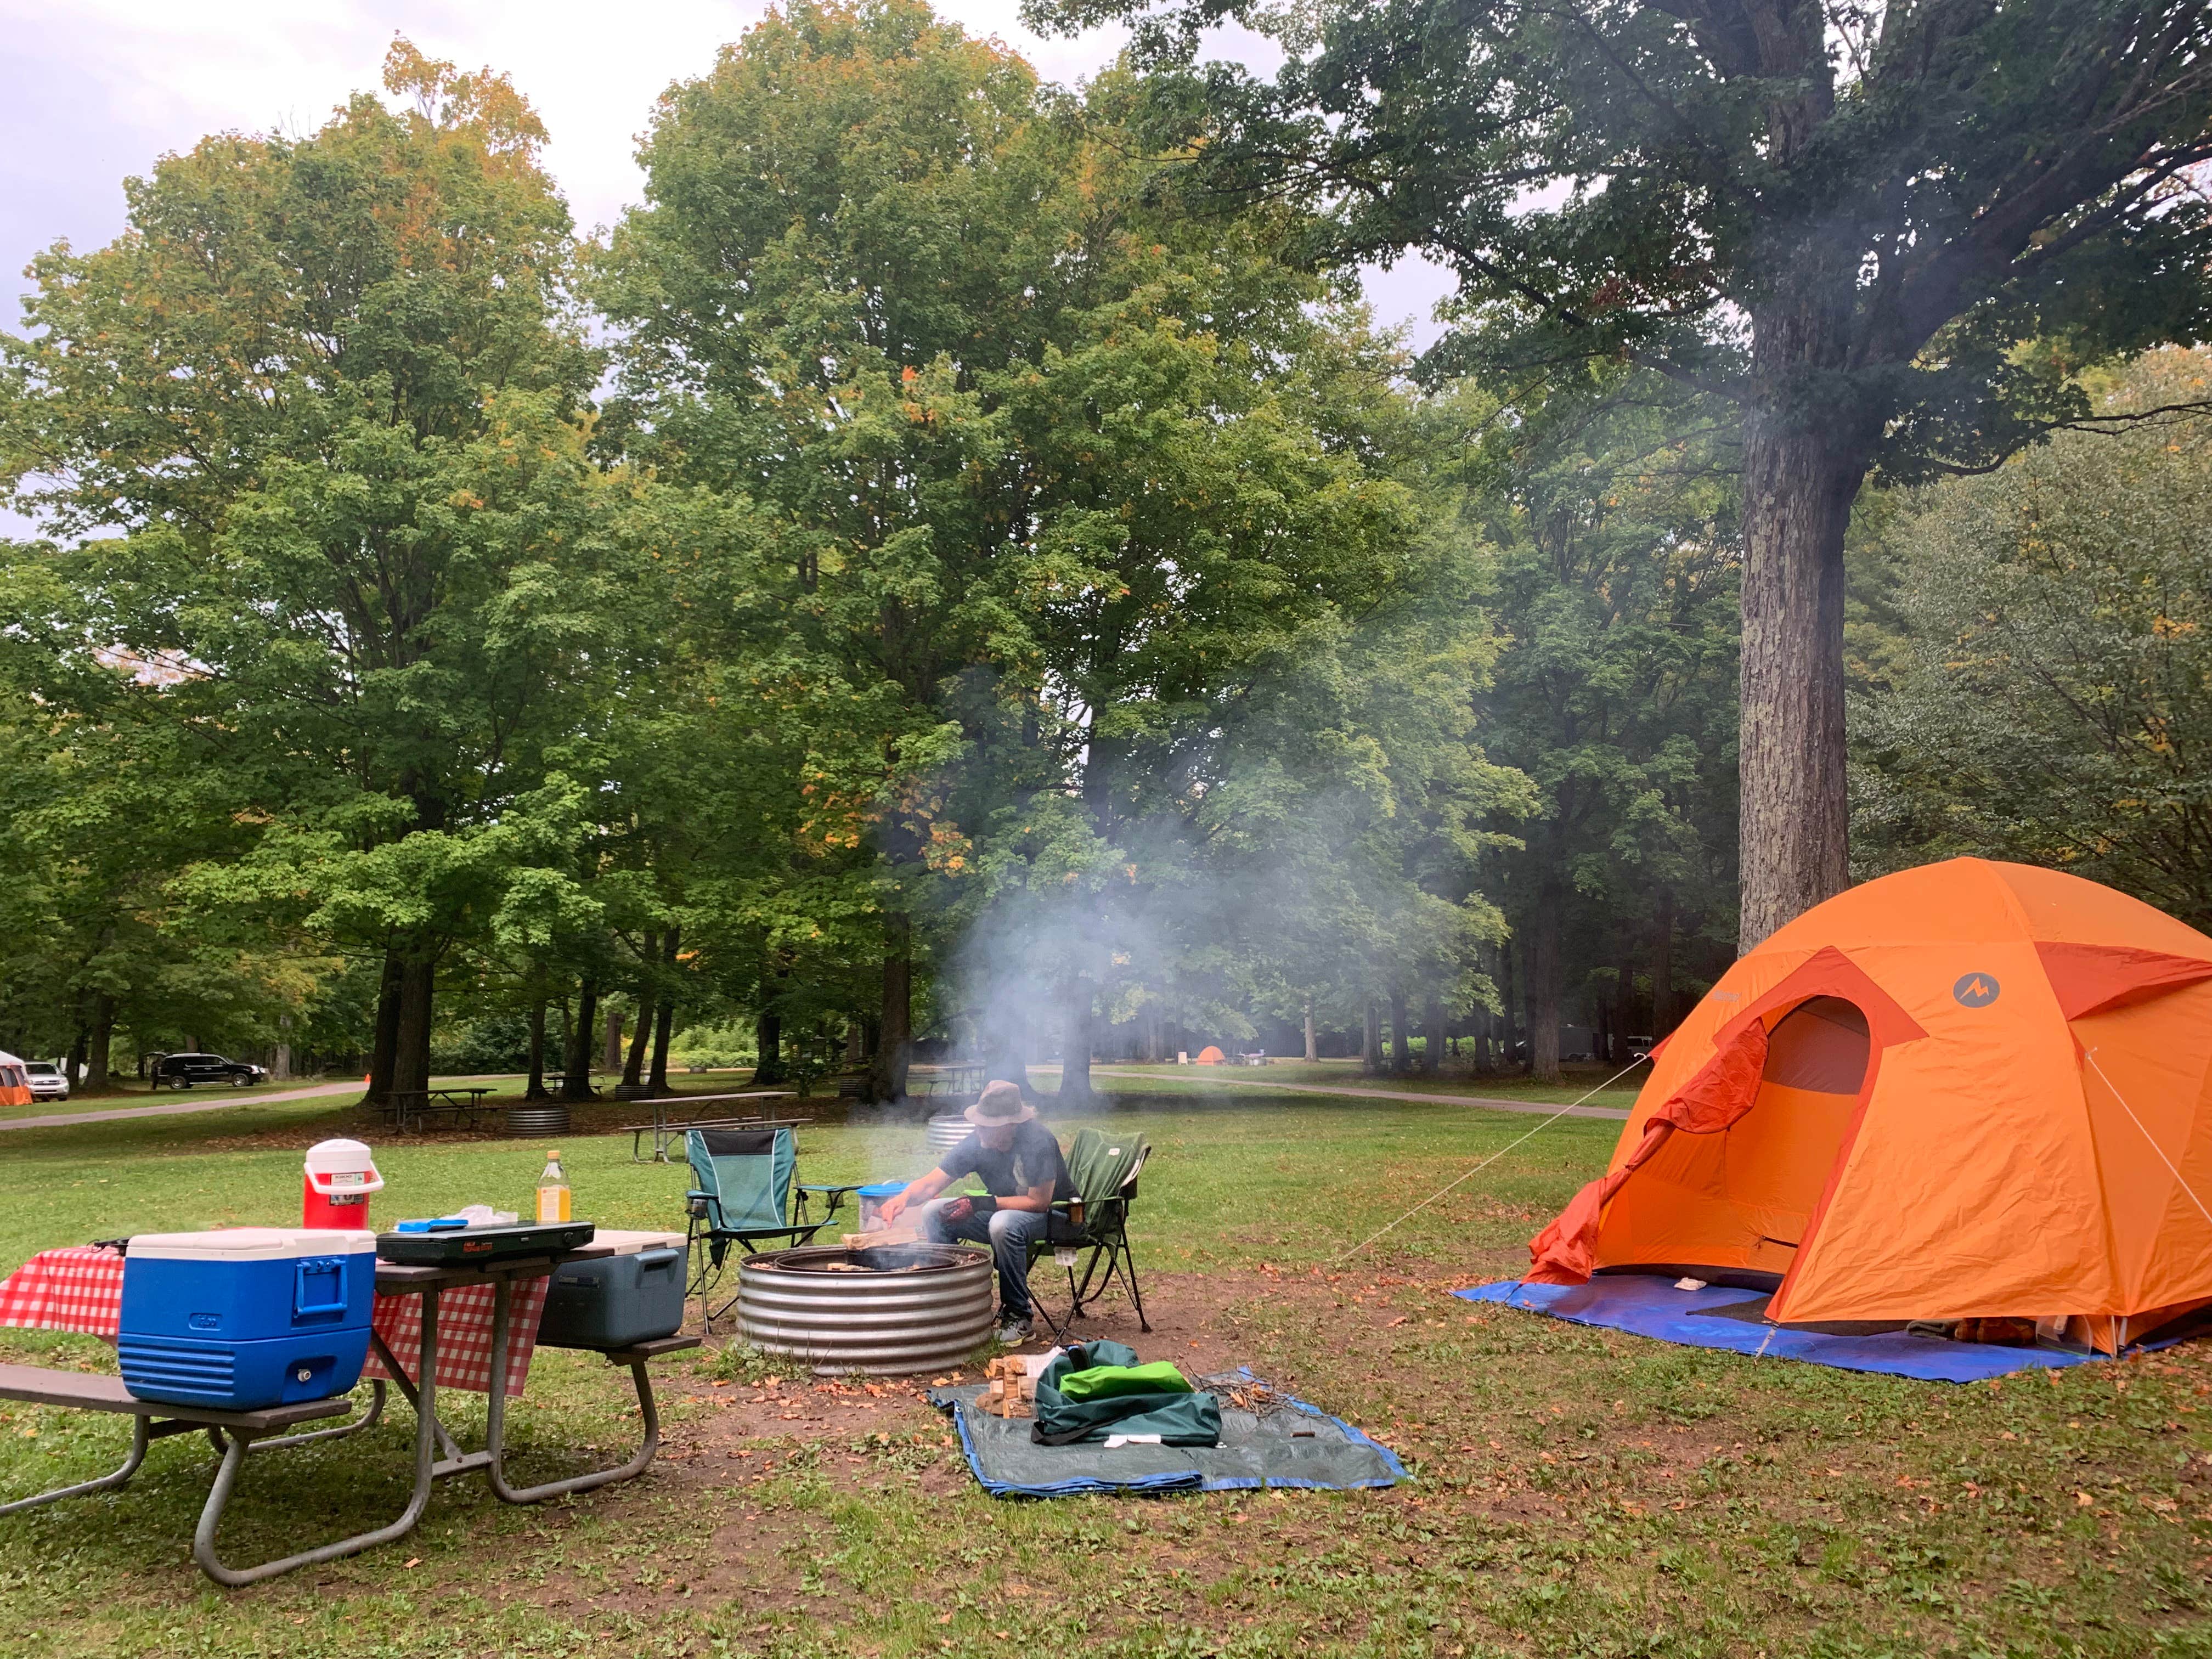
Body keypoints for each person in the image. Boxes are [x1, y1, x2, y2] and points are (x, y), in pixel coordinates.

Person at [879, 1078, 1074, 1342]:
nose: (978, 1129)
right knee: (936, 1211)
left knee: (1002, 1224)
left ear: (1009, 1125)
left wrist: (985, 1204)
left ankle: (1019, 1316)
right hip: (1009, 1214)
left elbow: (1039, 1202)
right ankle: (952, 1305)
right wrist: (902, 1199)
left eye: (986, 1125)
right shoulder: (978, 1143)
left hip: (1061, 1217)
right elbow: (932, 1183)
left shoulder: (1038, 1141)